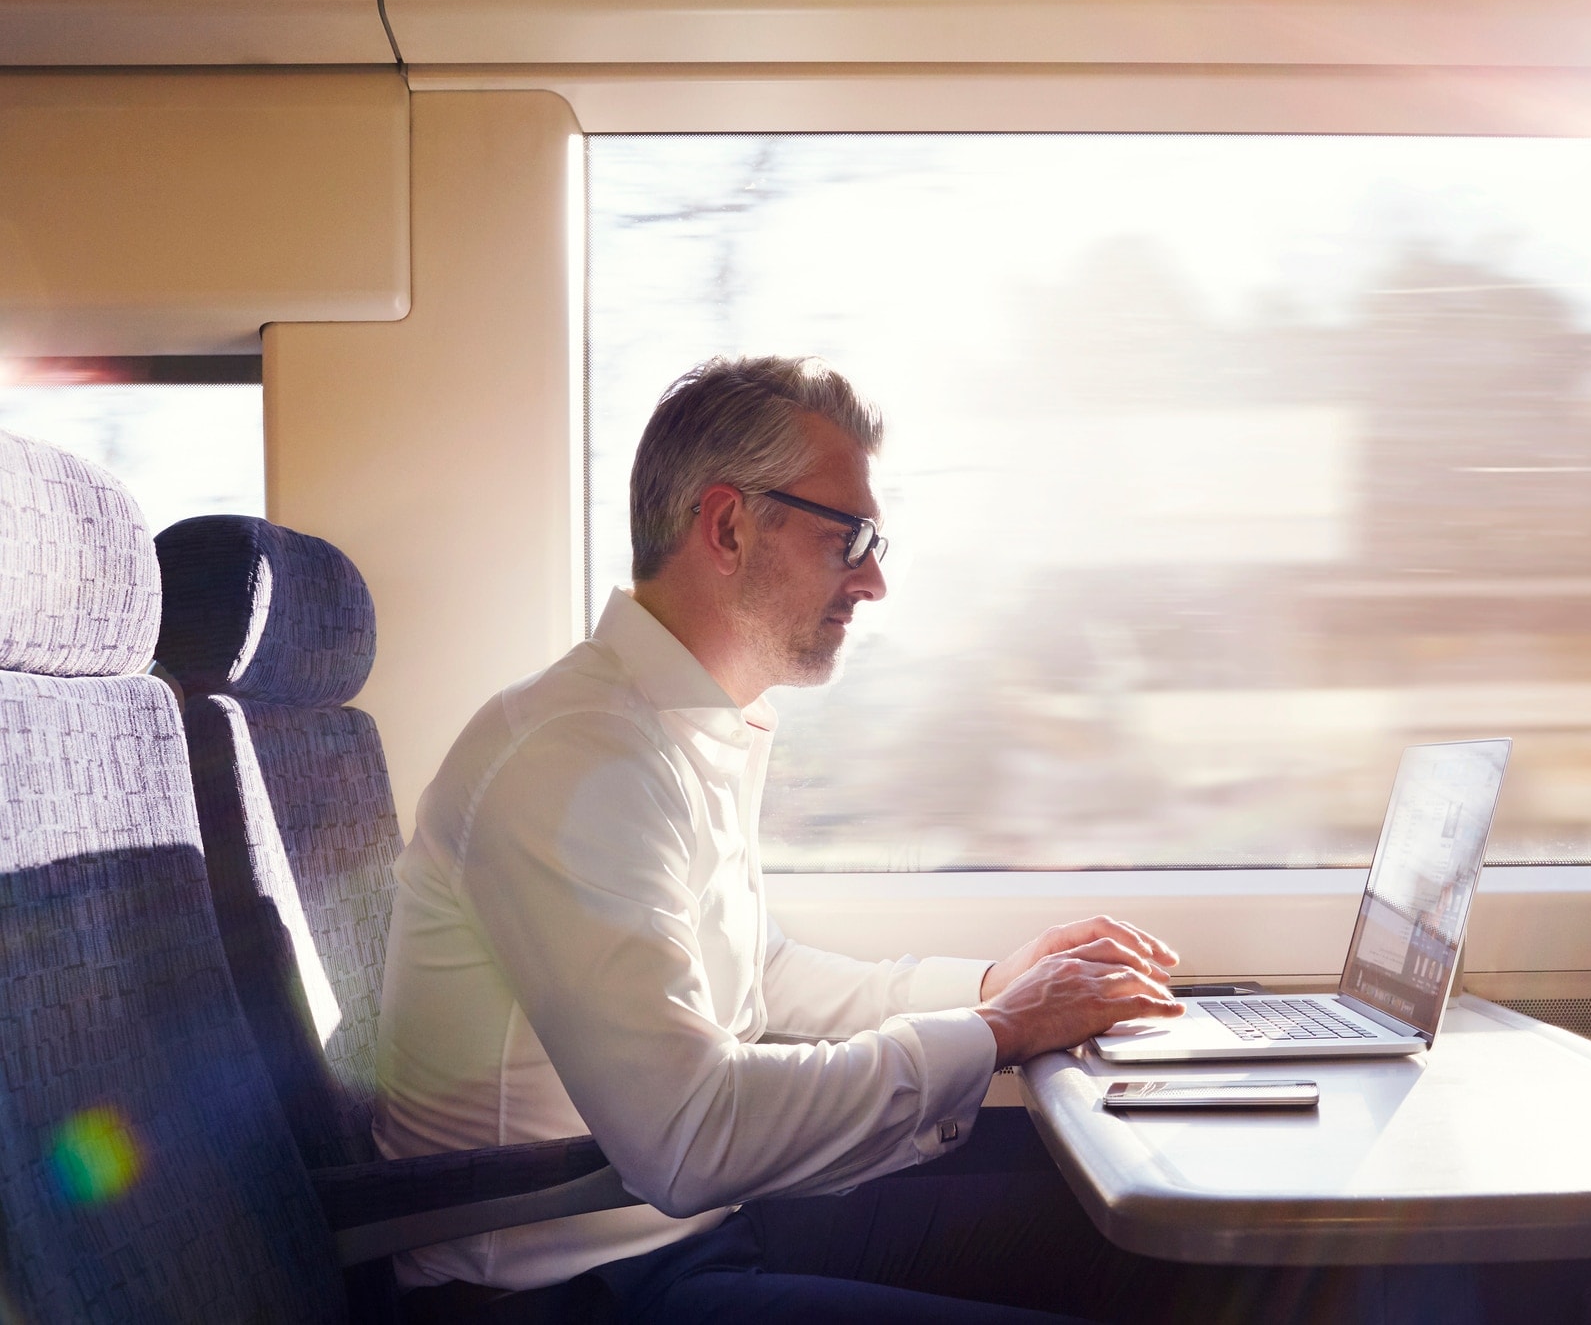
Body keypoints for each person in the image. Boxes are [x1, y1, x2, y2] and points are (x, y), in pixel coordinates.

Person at [373, 355, 1191, 1323]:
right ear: (726, 525)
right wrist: (1000, 1031)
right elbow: (688, 1137)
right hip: (571, 1284)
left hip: (685, 1231)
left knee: (1152, 1253)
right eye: (850, 537)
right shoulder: (573, 758)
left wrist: (989, 984)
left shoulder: (675, 727)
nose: (875, 580)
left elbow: (757, 979)